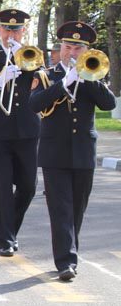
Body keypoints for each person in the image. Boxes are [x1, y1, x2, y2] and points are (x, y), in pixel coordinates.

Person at [29, 21, 116, 281]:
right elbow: (35, 104)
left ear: (86, 50)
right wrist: (64, 83)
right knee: (61, 209)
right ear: (60, 49)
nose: (72, 52)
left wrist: (91, 78)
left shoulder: (94, 75)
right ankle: (66, 261)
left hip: (83, 153)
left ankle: (70, 250)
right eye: (68, 47)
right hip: (54, 153)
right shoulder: (46, 75)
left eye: (78, 48)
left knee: (77, 208)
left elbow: (108, 104)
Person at [0, 8, 42, 256]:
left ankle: (10, 228)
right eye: (6, 28)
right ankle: (6, 238)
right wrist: (0, 80)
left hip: (27, 130)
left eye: (15, 29)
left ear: (23, 31)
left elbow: (42, 86)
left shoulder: (34, 56)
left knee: (28, 187)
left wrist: (23, 61)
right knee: (2, 186)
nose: (10, 33)